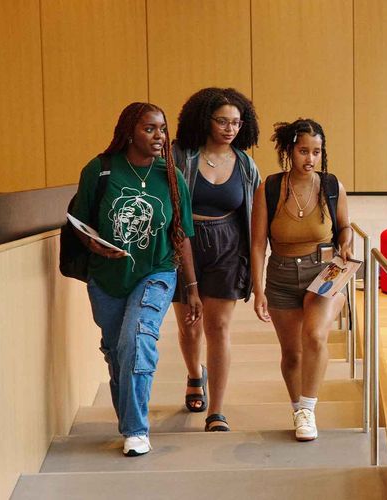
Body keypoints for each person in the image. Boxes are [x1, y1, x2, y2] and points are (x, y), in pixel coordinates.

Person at [69, 102, 202, 457]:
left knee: (136, 339)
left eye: (162, 129)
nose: (159, 136)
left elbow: (182, 234)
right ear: (129, 131)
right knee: (116, 351)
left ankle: (136, 430)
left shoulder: (171, 176)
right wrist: (96, 246)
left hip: (157, 272)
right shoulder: (99, 170)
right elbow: (79, 222)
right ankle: (129, 421)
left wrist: (191, 287)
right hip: (108, 278)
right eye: (149, 129)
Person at [250, 118, 353, 442]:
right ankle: (298, 409)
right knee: (292, 352)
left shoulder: (332, 186)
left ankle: (308, 408)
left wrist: (347, 241)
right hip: (280, 274)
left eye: (317, 152)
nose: (310, 159)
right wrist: (258, 289)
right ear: (289, 152)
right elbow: (257, 244)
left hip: (324, 271)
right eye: (303, 151)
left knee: (315, 336)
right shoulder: (270, 188)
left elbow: (344, 226)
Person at [169, 87, 262, 432]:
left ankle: (217, 411)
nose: (229, 128)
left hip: (228, 247)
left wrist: (256, 266)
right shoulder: (181, 155)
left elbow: (255, 216)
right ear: (204, 120)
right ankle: (195, 375)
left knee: (218, 327)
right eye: (222, 121)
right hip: (184, 244)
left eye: (236, 123)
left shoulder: (246, 163)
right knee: (189, 324)